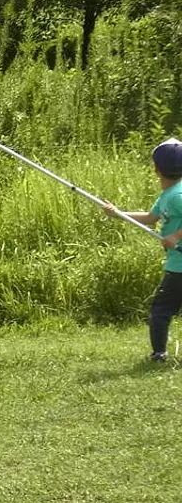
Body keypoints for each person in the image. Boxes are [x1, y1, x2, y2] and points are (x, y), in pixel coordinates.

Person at [102, 138, 182, 362]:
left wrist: (175, 236)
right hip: (176, 264)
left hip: (179, 268)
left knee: (160, 310)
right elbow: (150, 218)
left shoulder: (177, 195)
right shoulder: (169, 195)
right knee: (163, 310)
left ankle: (159, 354)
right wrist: (119, 213)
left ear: (156, 169)